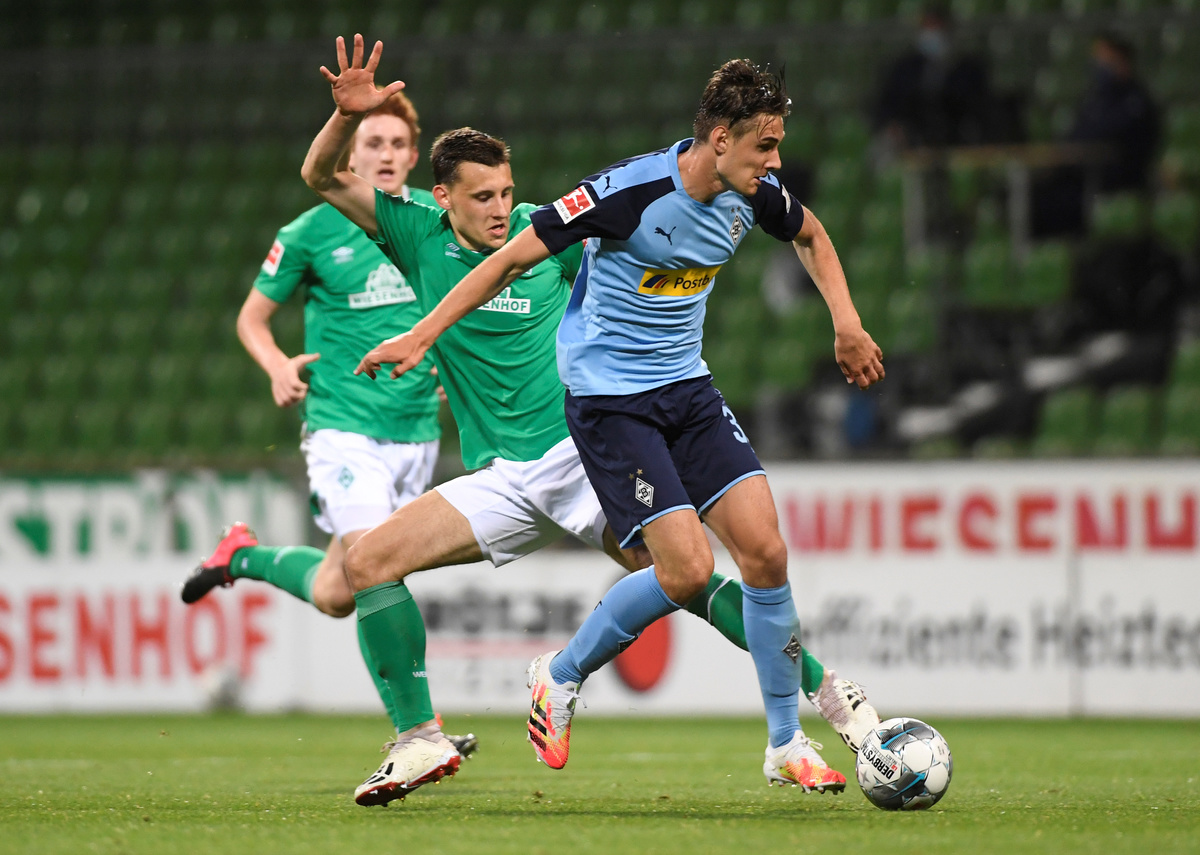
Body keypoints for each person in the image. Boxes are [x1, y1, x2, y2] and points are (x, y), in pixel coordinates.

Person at [304, 36, 880, 805]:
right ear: (442, 198)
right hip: (521, 465)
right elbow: (328, 180)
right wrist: (420, 331)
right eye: (481, 196)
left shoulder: (577, 228)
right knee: (365, 564)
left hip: (591, 443)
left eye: (506, 193)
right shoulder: (420, 231)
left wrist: (845, 320)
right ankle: (421, 736)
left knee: (713, 567)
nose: (501, 208)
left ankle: (812, 705)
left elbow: (785, 239)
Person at [179, 92, 477, 759]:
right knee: (378, 567)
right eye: (374, 143)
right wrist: (276, 364)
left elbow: (465, 305)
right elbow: (252, 318)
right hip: (343, 427)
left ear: (414, 154)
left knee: (339, 591)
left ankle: (240, 556)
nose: (387, 155)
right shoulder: (311, 231)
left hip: (416, 433)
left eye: (398, 145)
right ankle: (419, 731)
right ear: (351, 153)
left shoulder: (432, 223)